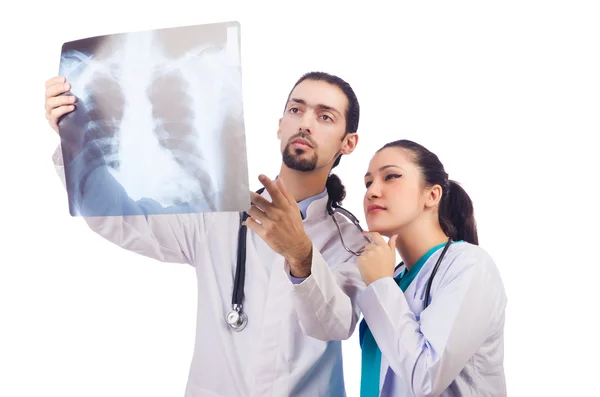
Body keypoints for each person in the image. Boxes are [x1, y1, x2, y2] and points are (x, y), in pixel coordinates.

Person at [44, 71, 370, 397]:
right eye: (296, 110)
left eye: (325, 116)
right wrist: (77, 145)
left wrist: (301, 254)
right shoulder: (220, 214)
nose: (306, 124)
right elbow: (119, 218)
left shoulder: (354, 243)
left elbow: (335, 325)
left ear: (348, 142)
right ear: (280, 125)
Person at [355, 139, 507, 397]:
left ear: (432, 195)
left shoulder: (469, 266)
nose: (372, 191)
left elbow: (426, 379)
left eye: (390, 176)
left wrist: (381, 285)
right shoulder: (392, 276)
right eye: (368, 182)